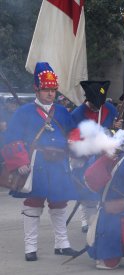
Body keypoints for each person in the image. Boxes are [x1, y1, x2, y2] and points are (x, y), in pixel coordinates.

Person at [0, 62, 78, 261]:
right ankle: (30, 248)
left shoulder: (61, 112)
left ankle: (62, 244)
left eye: (53, 89)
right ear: (37, 89)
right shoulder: (23, 112)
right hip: (36, 163)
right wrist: (19, 161)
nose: (50, 93)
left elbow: (74, 133)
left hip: (59, 164)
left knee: (59, 203)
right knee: (34, 204)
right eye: (46, 89)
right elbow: (11, 138)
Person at [70, 80, 123, 233]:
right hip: (84, 156)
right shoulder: (78, 114)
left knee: (104, 190)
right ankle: (86, 219)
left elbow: (114, 130)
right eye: (94, 104)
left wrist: (117, 127)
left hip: (104, 155)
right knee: (86, 191)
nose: (97, 108)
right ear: (88, 100)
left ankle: (101, 219)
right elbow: (74, 137)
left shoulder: (109, 109)